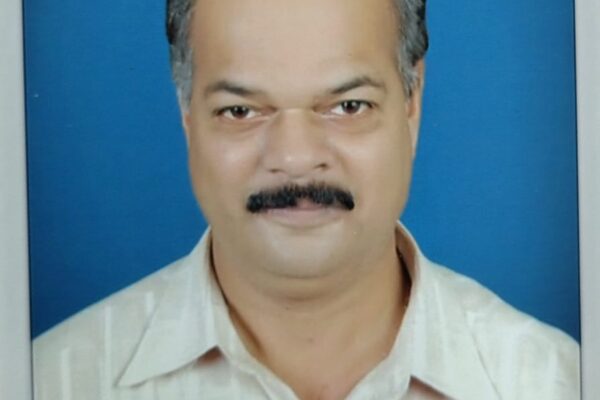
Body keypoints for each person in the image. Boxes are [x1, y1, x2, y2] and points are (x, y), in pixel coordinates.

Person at [33, 0, 580, 399]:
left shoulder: (557, 382)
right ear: (186, 114)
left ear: (412, 103)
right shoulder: (48, 380)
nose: (295, 158)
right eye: (242, 111)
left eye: (347, 106)